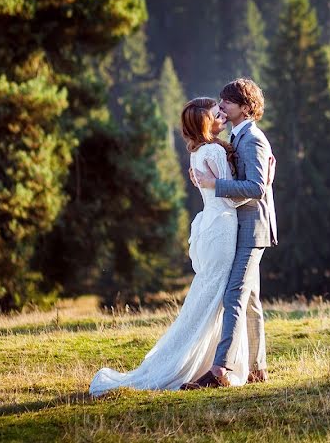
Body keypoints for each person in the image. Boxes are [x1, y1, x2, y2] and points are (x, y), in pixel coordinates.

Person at [89, 95, 264, 395]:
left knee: (211, 296)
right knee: (218, 298)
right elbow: (234, 197)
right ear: (205, 123)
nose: (221, 116)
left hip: (213, 227)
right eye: (215, 114)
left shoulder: (201, 151)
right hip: (222, 227)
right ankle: (209, 366)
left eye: (222, 111)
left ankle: (217, 363)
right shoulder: (214, 152)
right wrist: (266, 181)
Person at [182, 78, 277, 388]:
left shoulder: (252, 139)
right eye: (221, 101)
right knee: (249, 299)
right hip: (240, 226)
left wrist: (214, 184)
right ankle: (258, 368)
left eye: (228, 102)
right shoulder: (237, 137)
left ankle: (220, 369)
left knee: (234, 293)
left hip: (252, 228)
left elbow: (256, 188)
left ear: (246, 107)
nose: (221, 106)